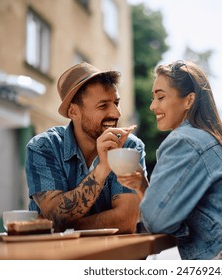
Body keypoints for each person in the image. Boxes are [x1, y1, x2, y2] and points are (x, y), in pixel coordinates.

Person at [117, 60, 222, 259]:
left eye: (160, 97)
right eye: (153, 98)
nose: (152, 106)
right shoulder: (208, 138)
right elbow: (177, 212)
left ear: (189, 100)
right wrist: (143, 186)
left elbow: (157, 220)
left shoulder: (183, 140)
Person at [25, 62, 146, 233]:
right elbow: (54, 214)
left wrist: (62, 227)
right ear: (74, 112)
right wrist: (102, 169)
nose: (116, 113)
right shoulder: (44, 147)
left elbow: (125, 220)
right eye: (103, 105)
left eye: (116, 103)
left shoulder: (129, 146)